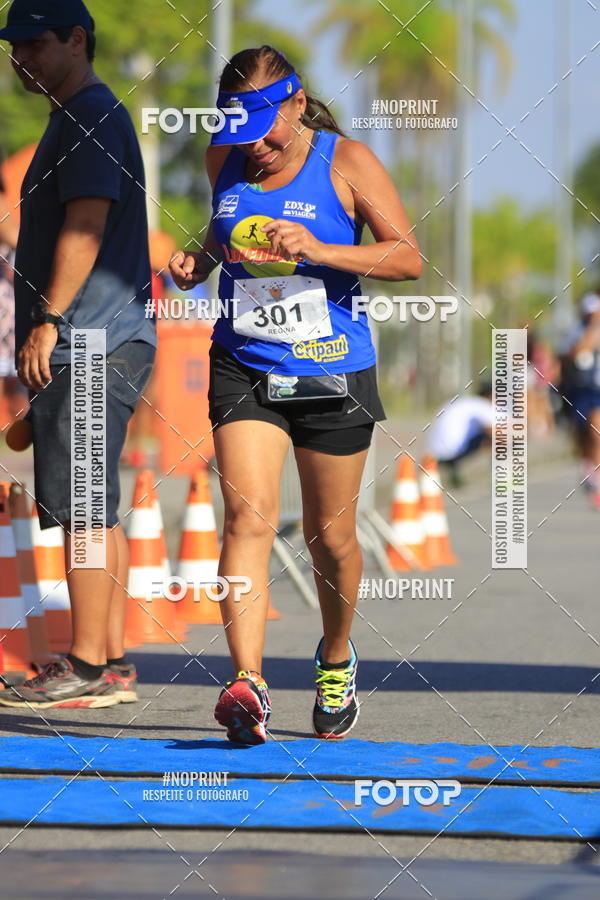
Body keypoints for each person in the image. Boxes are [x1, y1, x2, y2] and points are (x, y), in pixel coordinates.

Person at [170, 46, 422, 744]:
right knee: (246, 518)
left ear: (297, 103)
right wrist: (202, 257)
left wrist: (320, 249)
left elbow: (406, 257)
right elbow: (228, 233)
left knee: (331, 537)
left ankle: (335, 658)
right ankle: (248, 683)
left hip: (331, 369)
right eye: (240, 133)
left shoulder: (348, 164)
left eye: (265, 129)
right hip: (243, 360)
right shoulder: (224, 160)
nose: (255, 146)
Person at [0, 0, 156, 708]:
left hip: (90, 340)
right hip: (93, 340)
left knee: (85, 507)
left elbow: (87, 224)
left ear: (77, 40)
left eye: (35, 44)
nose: (20, 59)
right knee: (94, 506)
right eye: (14, 47)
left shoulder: (89, 116)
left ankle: (88, 667)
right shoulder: (75, 117)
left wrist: (49, 320)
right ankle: (111, 660)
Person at [562, 291, 600, 508]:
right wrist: (591, 331)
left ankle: (597, 481)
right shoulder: (578, 331)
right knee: (584, 436)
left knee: (596, 433)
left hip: (598, 391)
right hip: (580, 390)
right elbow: (575, 352)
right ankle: (589, 471)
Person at [426, 384, 494, 488]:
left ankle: (452, 470)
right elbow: (495, 431)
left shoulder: (465, 401)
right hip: (452, 450)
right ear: (490, 396)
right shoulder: (483, 405)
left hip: (432, 451)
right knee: (495, 437)